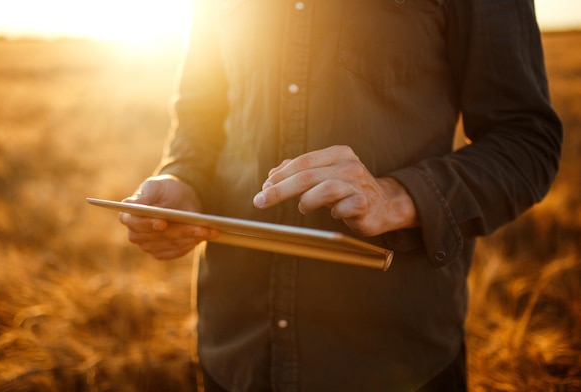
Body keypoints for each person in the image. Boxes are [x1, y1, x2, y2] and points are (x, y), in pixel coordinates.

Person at [119, 0, 562, 390]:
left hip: (393, 361)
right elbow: (199, 120)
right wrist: (183, 183)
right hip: (233, 352)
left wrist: (396, 196)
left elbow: (526, 141)